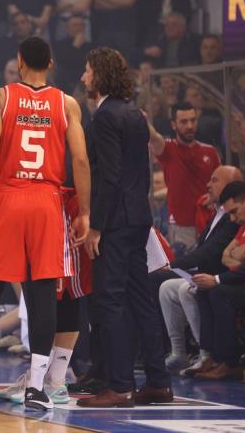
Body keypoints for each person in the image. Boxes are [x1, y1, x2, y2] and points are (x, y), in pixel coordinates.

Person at [0, 36, 90, 411]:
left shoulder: (2, 96)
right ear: (50, 63)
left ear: (19, 61)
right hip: (47, 201)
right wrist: (84, 212)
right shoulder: (66, 103)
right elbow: (80, 161)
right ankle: (36, 387)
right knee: (43, 292)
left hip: (9, 195)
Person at [78, 47, 172, 408]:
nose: (84, 77)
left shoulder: (104, 116)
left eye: (88, 71)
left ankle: (119, 385)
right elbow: (140, 173)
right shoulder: (135, 113)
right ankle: (159, 382)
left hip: (115, 222)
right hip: (138, 219)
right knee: (141, 299)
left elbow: (110, 176)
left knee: (111, 300)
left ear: (100, 75)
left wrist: (96, 227)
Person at [154, 166, 242, 373]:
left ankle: (206, 354)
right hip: (205, 271)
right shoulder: (217, 214)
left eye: (215, 180)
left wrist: (173, 265)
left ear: (231, 186)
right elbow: (203, 249)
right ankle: (178, 352)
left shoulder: (233, 217)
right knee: (166, 287)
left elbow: (210, 252)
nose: (208, 185)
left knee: (185, 288)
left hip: (220, 275)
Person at [192, 181, 245, 380]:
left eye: (234, 212)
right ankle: (211, 356)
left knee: (219, 292)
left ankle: (228, 362)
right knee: (205, 290)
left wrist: (217, 279)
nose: (233, 219)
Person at [148, 102, 221, 255]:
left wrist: (213, 197)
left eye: (193, 120)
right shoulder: (168, 150)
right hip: (181, 226)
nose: (189, 126)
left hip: (210, 223)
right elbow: (154, 138)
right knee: (184, 267)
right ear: (173, 125)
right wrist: (141, 119)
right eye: (184, 121)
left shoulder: (211, 152)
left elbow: (222, 184)